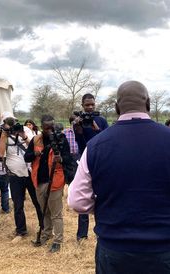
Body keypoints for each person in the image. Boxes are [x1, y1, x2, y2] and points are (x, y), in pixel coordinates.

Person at [68, 80, 170, 274]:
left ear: (117, 108)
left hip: (115, 249)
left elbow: (77, 201)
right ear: (149, 103)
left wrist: (108, 210)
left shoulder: (96, 147)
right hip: (165, 248)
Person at [24, 114, 74, 253]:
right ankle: (46, 235)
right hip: (39, 181)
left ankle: (58, 240)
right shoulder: (36, 140)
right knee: (44, 211)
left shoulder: (61, 139)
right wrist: (35, 154)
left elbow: (68, 158)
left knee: (56, 213)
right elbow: (26, 157)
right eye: (47, 128)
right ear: (41, 127)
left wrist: (61, 159)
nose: (50, 130)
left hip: (56, 180)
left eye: (52, 127)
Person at [0, 112, 43, 239]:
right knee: (18, 204)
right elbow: (0, 154)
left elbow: (35, 149)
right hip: (15, 175)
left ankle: (44, 227)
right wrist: (4, 136)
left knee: (37, 202)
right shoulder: (2, 135)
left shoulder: (27, 130)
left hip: (30, 172)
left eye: (12, 121)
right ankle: (21, 230)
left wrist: (23, 136)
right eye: (7, 122)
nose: (11, 125)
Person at [73, 93, 109, 242]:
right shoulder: (78, 122)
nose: (90, 107)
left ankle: (102, 230)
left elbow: (108, 140)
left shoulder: (101, 120)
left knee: (102, 196)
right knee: (84, 194)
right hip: (85, 160)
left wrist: (96, 127)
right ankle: (82, 235)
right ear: (82, 105)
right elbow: (80, 145)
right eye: (87, 105)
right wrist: (78, 130)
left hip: (102, 161)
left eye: (92, 105)